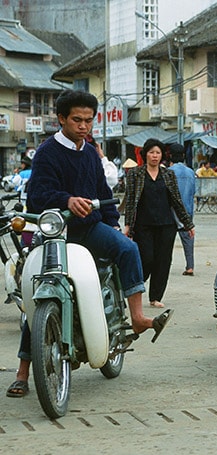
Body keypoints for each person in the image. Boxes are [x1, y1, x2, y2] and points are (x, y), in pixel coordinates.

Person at [7, 90, 173, 399]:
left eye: (88, 120)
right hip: (55, 234)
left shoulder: (91, 154)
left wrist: (114, 225)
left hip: (89, 229)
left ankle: (137, 318)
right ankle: (22, 372)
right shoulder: (46, 153)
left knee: (128, 249)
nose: (84, 126)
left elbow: (104, 193)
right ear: (61, 119)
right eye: (77, 120)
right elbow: (37, 196)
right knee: (37, 297)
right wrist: (67, 200)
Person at [124, 138, 195, 309]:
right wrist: (128, 225)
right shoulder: (135, 174)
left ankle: (155, 297)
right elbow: (131, 201)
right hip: (143, 225)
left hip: (166, 225)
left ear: (162, 155)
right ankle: (133, 290)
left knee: (163, 262)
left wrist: (188, 224)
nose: (154, 156)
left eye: (158, 153)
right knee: (146, 259)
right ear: (145, 154)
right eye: (151, 152)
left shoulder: (168, 174)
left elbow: (176, 200)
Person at [169, 143, 197, 276]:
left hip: (171, 212)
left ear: (170, 156)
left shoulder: (169, 172)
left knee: (167, 241)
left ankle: (166, 265)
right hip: (188, 211)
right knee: (188, 239)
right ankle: (190, 266)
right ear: (183, 156)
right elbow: (193, 192)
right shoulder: (191, 172)